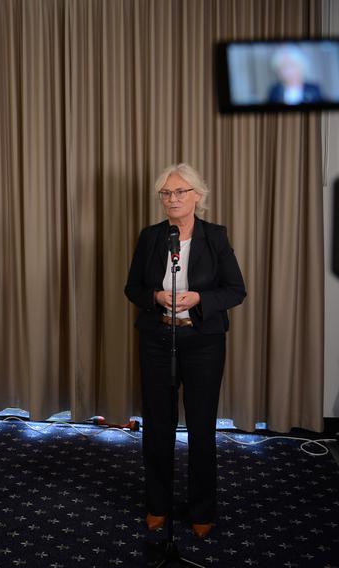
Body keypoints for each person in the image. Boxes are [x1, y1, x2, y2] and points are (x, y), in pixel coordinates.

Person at [124, 163, 246, 541]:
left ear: (197, 196)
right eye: (166, 193)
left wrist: (199, 299)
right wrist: (156, 297)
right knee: (157, 426)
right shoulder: (151, 236)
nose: (172, 199)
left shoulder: (215, 237)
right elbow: (132, 288)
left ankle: (201, 508)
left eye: (180, 192)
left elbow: (235, 290)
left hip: (203, 341)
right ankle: (157, 505)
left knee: (201, 427)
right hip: (158, 339)